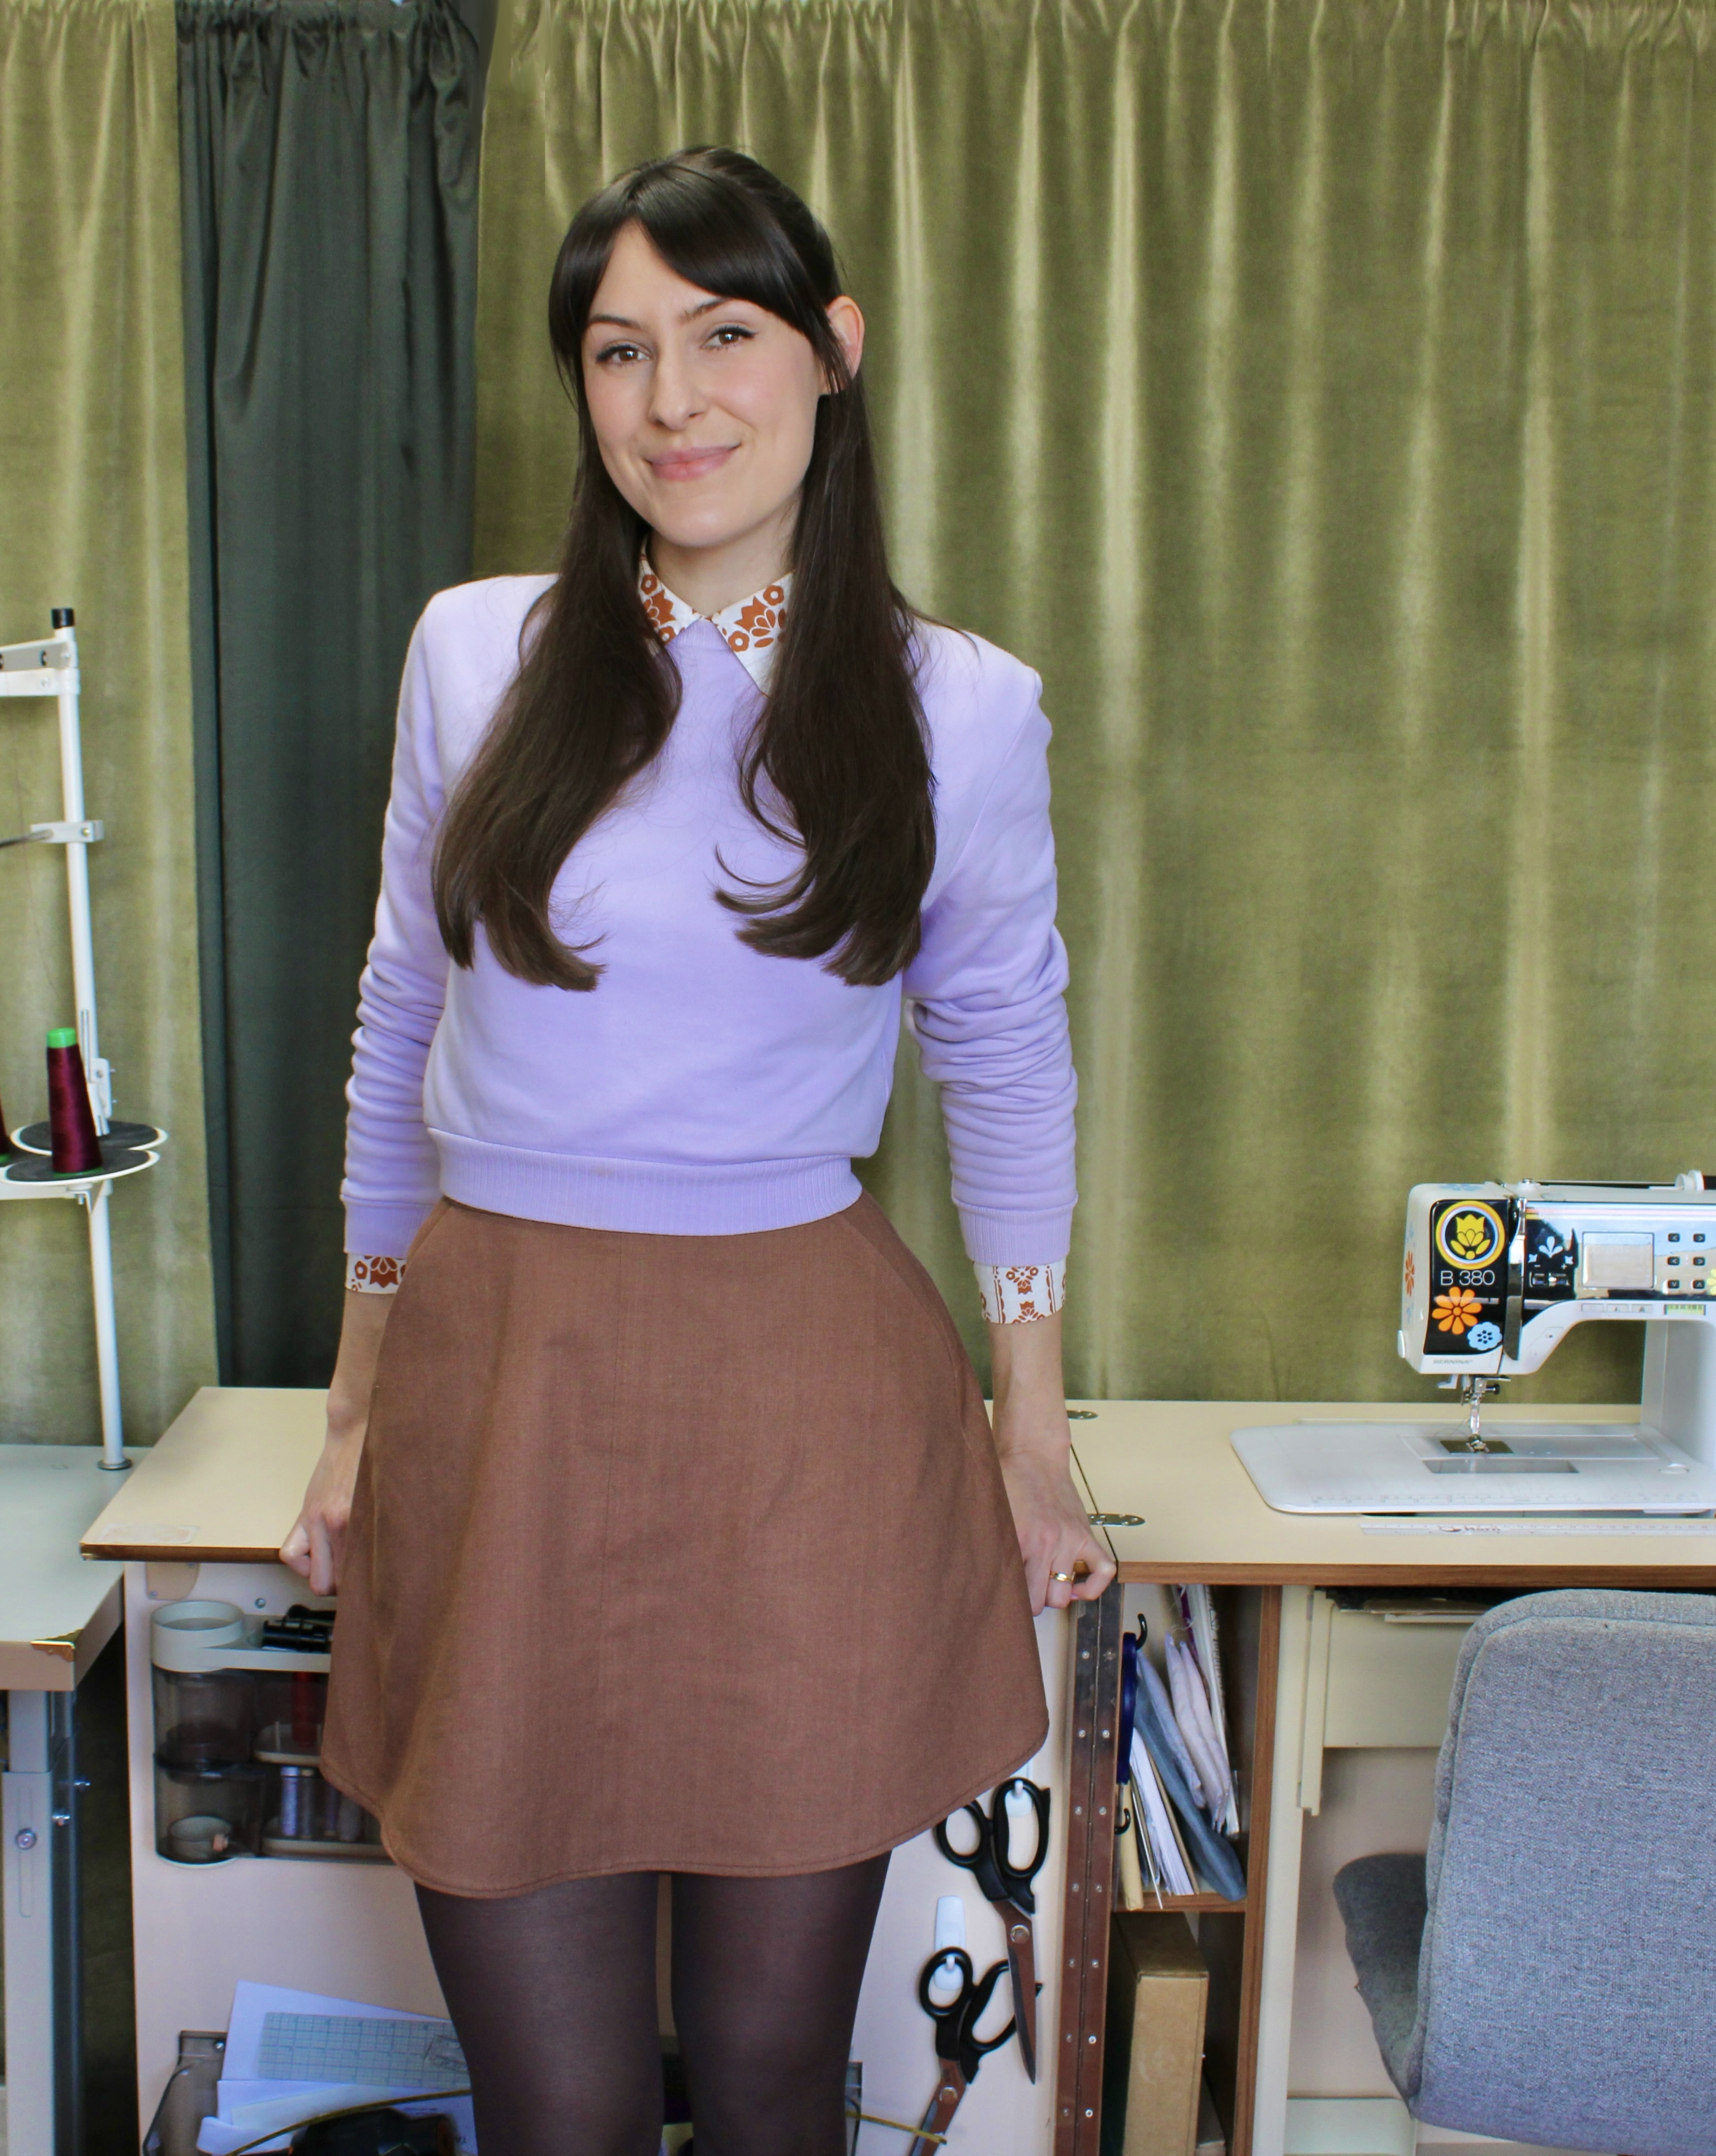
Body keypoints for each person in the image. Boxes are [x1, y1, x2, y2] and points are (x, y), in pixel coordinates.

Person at [282, 144, 1108, 2156]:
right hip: (506, 1370)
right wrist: (353, 1410)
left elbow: (1001, 1050)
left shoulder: (959, 706)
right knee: (553, 2113)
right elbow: (406, 1015)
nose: (675, 403)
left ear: (833, 353)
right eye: (621, 350)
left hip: (803, 1392)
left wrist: (1032, 1423)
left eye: (725, 337)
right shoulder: (474, 653)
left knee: (761, 2094)